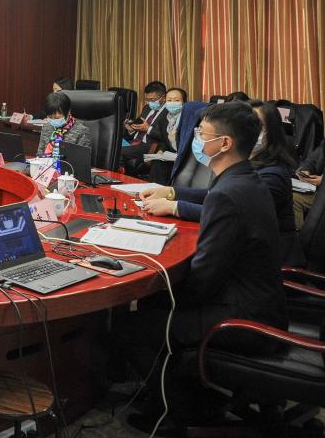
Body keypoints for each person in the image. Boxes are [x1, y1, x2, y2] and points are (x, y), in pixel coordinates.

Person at [119, 101, 287, 430]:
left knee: (131, 328)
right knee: (152, 308)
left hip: (242, 318)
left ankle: (181, 413)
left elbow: (203, 281)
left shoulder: (228, 193)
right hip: (263, 304)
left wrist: (161, 292)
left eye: (202, 133)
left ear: (224, 143)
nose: (196, 138)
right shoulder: (244, 179)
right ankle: (175, 392)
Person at [141, 100, 302, 266]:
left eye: (256, 125)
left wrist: (174, 207)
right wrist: (171, 192)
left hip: (273, 261)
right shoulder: (243, 166)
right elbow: (213, 195)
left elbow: (224, 208)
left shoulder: (271, 176)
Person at [119, 80, 168, 176]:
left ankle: (120, 178)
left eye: (153, 100)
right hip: (134, 141)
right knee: (109, 145)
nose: (150, 103)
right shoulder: (147, 108)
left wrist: (148, 129)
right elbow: (139, 127)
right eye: (147, 100)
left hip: (149, 145)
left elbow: (166, 136)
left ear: (163, 97)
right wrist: (131, 129)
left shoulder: (168, 112)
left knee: (118, 151)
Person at [36, 91, 91, 157]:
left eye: (57, 117)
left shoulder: (81, 131)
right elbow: (39, 155)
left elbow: (82, 160)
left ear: (68, 112)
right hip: (45, 163)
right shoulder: (47, 127)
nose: (53, 120)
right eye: (50, 117)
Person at [294, 140, 324, 228]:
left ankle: (299, 234)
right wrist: (305, 170)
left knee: (294, 198)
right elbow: (312, 159)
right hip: (316, 189)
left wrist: (323, 181)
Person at [148, 87, 187, 153]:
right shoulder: (163, 120)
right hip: (169, 155)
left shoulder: (188, 120)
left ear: (184, 102)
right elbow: (164, 141)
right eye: (169, 100)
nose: (172, 103)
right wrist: (161, 150)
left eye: (177, 100)